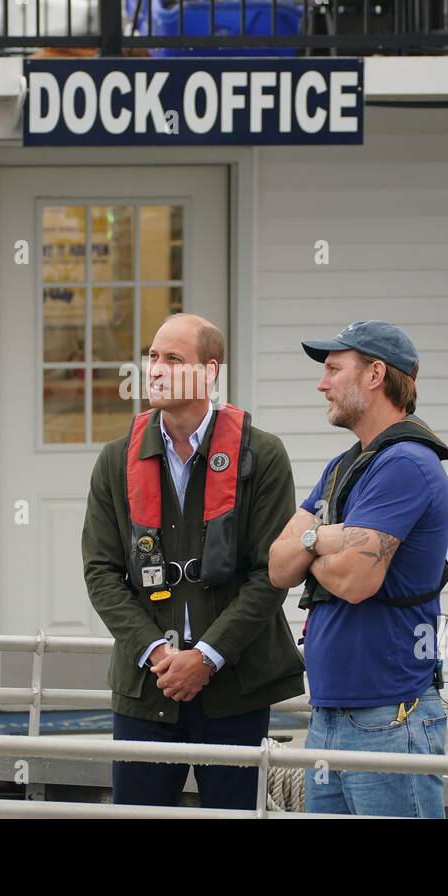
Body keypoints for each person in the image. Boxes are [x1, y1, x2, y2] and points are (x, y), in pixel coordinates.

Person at [83, 313, 305, 808]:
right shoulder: (115, 460)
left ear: (209, 372)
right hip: (146, 689)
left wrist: (206, 657)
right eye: (152, 357)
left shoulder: (263, 456)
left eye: (172, 359)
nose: (155, 370)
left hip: (235, 689)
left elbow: (270, 576)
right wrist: (159, 655)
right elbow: (101, 573)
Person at [268, 320, 448, 817]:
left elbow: (355, 580)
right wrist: (322, 541)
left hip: (388, 718)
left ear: (375, 375)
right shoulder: (341, 468)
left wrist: (310, 542)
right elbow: (277, 565)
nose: (321, 383)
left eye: (334, 369)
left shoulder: (407, 465)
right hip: (330, 713)